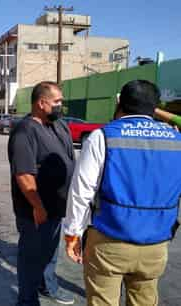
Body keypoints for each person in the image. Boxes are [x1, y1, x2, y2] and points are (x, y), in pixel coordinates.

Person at [64, 80, 181, 306]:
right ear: (156, 107)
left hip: (109, 240)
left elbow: (82, 190)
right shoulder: (176, 140)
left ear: (120, 103)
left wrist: (72, 234)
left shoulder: (103, 136)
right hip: (156, 243)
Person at [8, 81, 76, 306]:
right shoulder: (25, 130)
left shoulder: (59, 125)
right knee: (31, 257)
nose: (60, 106)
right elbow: (24, 175)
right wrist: (38, 206)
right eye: (57, 102)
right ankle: (27, 300)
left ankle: (48, 286)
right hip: (35, 211)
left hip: (57, 206)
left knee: (50, 252)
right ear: (41, 103)